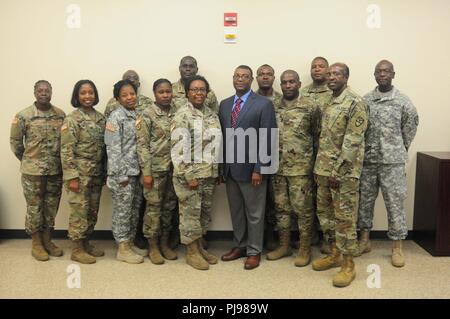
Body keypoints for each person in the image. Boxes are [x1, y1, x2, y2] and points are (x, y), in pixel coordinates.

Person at [357, 60, 419, 267]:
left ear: (393, 74)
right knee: (364, 202)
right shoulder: (366, 100)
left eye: (386, 71)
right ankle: (364, 240)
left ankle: (397, 246)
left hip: (392, 163)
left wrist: (397, 149)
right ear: (374, 75)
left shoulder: (403, 101)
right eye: (378, 71)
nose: (382, 74)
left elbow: (409, 130)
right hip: (368, 161)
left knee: (395, 204)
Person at [312, 63, 368, 287]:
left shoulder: (356, 102)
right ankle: (334, 254)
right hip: (323, 170)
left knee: (345, 221)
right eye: (329, 74)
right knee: (325, 216)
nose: (331, 77)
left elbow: (353, 141)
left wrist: (338, 170)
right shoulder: (328, 101)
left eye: (336, 74)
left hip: (343, 174)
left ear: (346, 77)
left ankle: (348, 265)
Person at [219, 65, 277, 270]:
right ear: (232, 78)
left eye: (245, 76)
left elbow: (268, 137)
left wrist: (259, 168)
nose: (240, 79)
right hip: (230, 170)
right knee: (236, 212)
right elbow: (222, 139)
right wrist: (221, 168)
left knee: (254, 214)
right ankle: (240, 245)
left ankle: (254, 251)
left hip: (252, 170)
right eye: (237, 76)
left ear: (252, 79)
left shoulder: (263, 104)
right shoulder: (224, 105)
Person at [10, 80, 66, 261]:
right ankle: (36, 243)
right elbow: (16, 144)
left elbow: (65, 142)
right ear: (34, 92)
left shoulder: (60, 115)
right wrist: (29, 161)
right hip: (32, 173)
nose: (44, 93)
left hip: (55, 170)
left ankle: (48, 240)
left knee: (51, 207)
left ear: (52, 92)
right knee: (34, 208)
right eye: (40, 90)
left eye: (47, 90)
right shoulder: (23, 116)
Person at [171, 75, 222, 270]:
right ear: (187, 93)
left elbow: (216, 144)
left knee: (203, 214)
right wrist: (188, 175)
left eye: (202, 89)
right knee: (190, 215)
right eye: (194, 89)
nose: (198, 93)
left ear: (207, 93)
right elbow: (177, 149)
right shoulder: (182, 115)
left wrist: (215, 171)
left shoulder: (211, 114)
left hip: (208, 174)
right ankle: (191, 252)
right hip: (190, 176)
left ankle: (200, 247)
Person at [266, 70, 315, 267]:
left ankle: (304, 248)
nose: (287, 85)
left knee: (302, 210)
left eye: (291, 82)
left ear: (299, 84)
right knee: (281, 208)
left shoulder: (310, 107)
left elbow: (317, 134)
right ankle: (284, 245)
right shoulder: (272, 106)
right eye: (284, 82)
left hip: (300, 169)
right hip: (277, 167)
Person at [104, 70, 151, 250]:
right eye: (125, 95)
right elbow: (112, 150)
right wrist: (120, 175)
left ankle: (130, 243)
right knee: (122, 212)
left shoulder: (137, 115)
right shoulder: (116, 117)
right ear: (117, 99)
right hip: (122, 174)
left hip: (136, 172)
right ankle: (122, 247)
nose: (130, 97)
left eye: (132, 93)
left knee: (133, 211)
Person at [61, 80, 106, 264]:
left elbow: (105, 149)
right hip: (79, 174)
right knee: (79, 211)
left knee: (92, 211)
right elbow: (66, 149)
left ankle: (86, 243)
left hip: (96, 173)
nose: (88, 96)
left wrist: (104, 172)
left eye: (91, 93)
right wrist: (71, 176)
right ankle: (77, 249)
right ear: (76, 96)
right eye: (83, 93)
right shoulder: (72, 119)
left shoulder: (101, 118)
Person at [136, 79, 178, 264]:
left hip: (174, 169)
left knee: (169, 207)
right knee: (153, 209)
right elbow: (142, 145)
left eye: (168, 91)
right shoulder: (147, 114)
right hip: (154, 170)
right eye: (161, 92)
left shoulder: (178, 112)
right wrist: (146, 173)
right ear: (154, 94)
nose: (165, 95)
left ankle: (164, 243)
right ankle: (152, 246)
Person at [301, 56, 333, 254]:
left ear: (328, 70)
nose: (317, 69)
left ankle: (328, 238)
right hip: (305, 154)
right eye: (314, 67)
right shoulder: (303, 93)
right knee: (307, 197)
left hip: (327, 155)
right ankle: (310, 235)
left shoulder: (334, 93)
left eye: (321, 66)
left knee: (326, 199)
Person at [255, 64, 282, 250]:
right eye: (261, 74)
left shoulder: (283, 100)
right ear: (256, 78)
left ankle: (275, 237)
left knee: (277, 201)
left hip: (281, 159)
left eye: (269, 74)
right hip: (255, 158)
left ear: (274, 77)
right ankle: (259, 236)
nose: (265, 77)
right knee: (257, 201)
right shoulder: (251, 100)